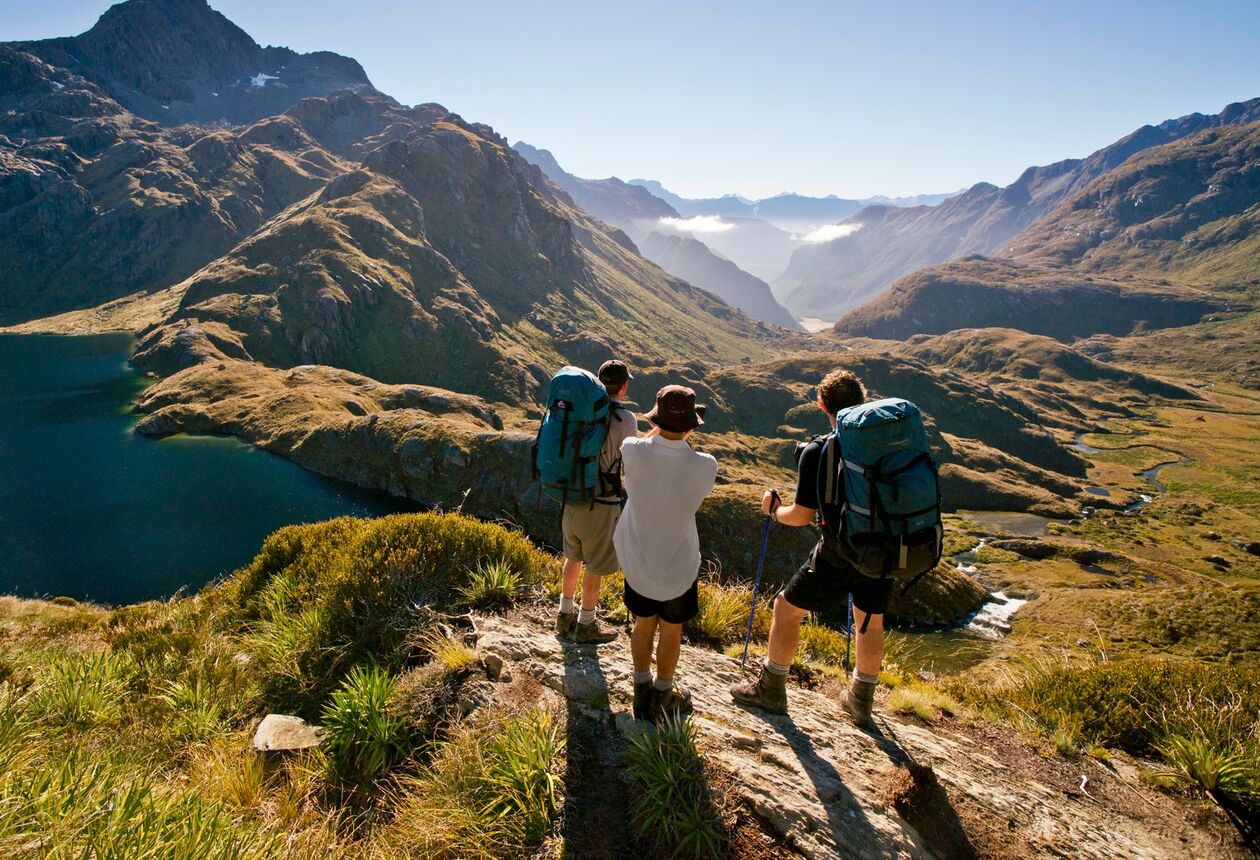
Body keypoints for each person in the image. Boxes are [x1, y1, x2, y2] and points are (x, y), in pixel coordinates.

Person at [730, 369, 884, 729]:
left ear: (821, 404)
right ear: (862, 400)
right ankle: (861, 701)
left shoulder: (819, 450)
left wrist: (773, 511)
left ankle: (771, 689)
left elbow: (801, 516)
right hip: (884, 547)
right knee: (870, 618)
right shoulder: (882, 444)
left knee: (785, 608)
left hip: (840, 550)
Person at [615, 385, 717, 721]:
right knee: (672, 629)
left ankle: (640, 688)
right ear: (691, 426)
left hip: (639, 562)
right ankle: (663, 692)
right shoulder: (705, 465)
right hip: (678, 566)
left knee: (643, 623)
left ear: (656, 420)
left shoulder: (632, 450)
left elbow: (643, 445)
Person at [556, 359, 639, 643]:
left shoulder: (581, 410)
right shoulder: (626, 419)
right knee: (594, 565)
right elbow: (630, 461)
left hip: (572, 494)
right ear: (624, 387)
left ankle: (564, 615)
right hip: (602, 501)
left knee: (573, 557)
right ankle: (587, 623)